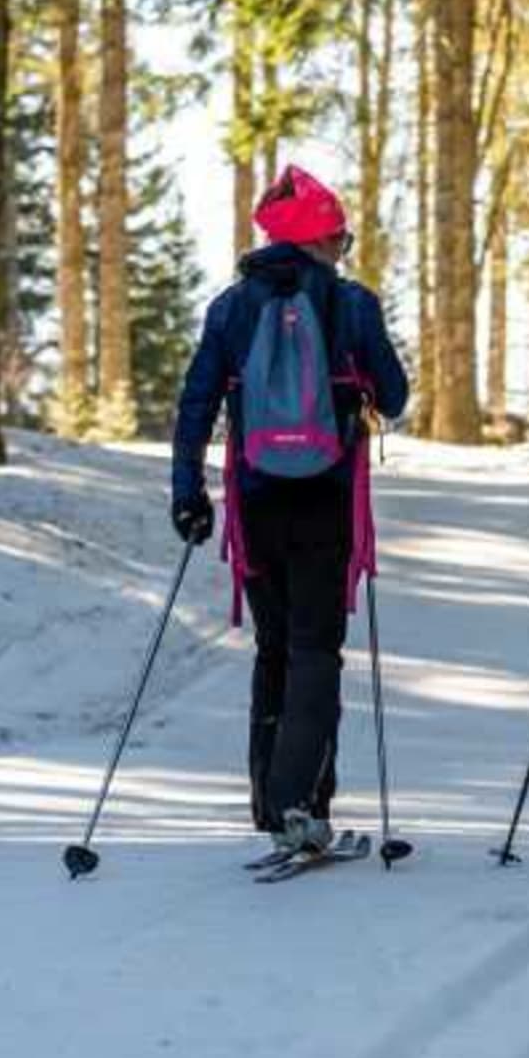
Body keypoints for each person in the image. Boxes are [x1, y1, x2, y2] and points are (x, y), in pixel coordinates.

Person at [171, 166, 409, 855]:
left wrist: (187, 489)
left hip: (254, 502)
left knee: (274, 649)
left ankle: (273, 809)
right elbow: (392, 398)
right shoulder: (352, 304)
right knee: (315, 651)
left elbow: (196, 402)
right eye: (340, 235)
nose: (344, 247)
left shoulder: (230, 307)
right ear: (318, 239)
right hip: (327, 501)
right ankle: (300, 802)